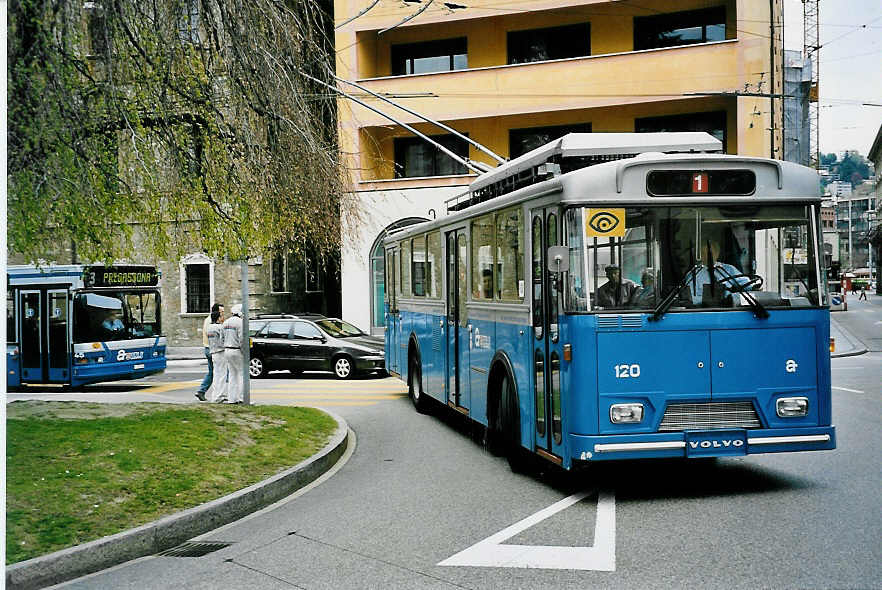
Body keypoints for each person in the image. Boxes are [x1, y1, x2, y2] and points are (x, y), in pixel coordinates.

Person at [684, 238, 754, 305]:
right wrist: (708, 300)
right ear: (700, 255)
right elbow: (690, 299)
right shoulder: (693, 274)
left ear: (717, 253)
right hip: (704, 310)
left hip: (729, 309)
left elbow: (746, 284)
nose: (708, 256)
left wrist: (754, 287)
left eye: (711, 253)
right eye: (704, 253)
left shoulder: (728, 269)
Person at [196, 302, 224, 401]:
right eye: (221, 312)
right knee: (216, 372)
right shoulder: (212, 323)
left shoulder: (208, 320)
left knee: (213, 372)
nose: (222, 314)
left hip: (209, 348)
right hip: (212, 349)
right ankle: (202, 391)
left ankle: (203, 391)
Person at [222, 303, 245, 404]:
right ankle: (241, 398)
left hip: (227, 350)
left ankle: (231, 399)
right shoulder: (240, 322)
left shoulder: (226, 322)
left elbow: (221, 337)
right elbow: (242, 339)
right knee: (241, 374)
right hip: (236, 350)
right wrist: (244, 351)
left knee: (232, 375)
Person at [205, 309, 229, 403]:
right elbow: (223, 338)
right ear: (218, 318)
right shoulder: (220, 327)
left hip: (213, 351)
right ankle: (220, 395)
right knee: (223, 374)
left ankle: (214, 395)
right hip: (221, 351)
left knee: (216, 374)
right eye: (221, 316)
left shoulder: (208, 327)